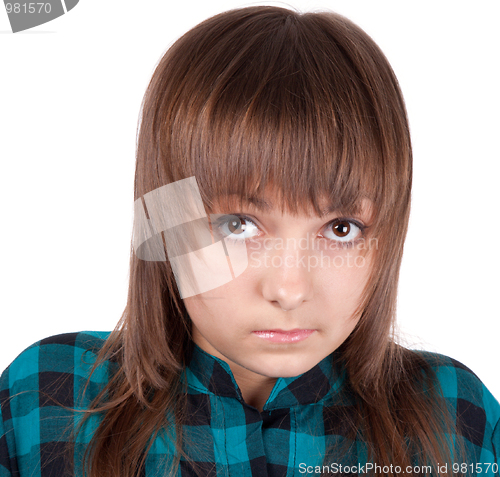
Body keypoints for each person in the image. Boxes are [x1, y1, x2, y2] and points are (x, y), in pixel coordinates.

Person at [1, 5, 499, 477]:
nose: (288, 290)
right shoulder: (50, 396)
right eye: (237, 225)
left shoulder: (453, 417)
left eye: (340, 229)